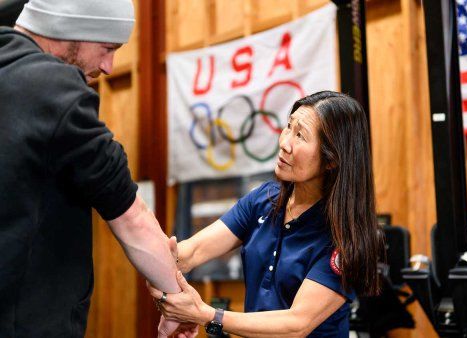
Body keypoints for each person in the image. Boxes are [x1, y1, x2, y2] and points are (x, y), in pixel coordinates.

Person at [0, 1, 194, 336]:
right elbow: (132, 219)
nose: (108, 66)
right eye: (107, 48)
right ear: (71, 28)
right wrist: (179, 303)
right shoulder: (55, 92)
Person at [148, 91, 383, 337]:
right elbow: (191, 252)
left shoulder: (343, 237)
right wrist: (160, 272)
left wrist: (205, 314)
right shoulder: (264, 199)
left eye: (300, 135)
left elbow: (296, 325)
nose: (285, 143)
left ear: (331, 159)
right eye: (289, 127)